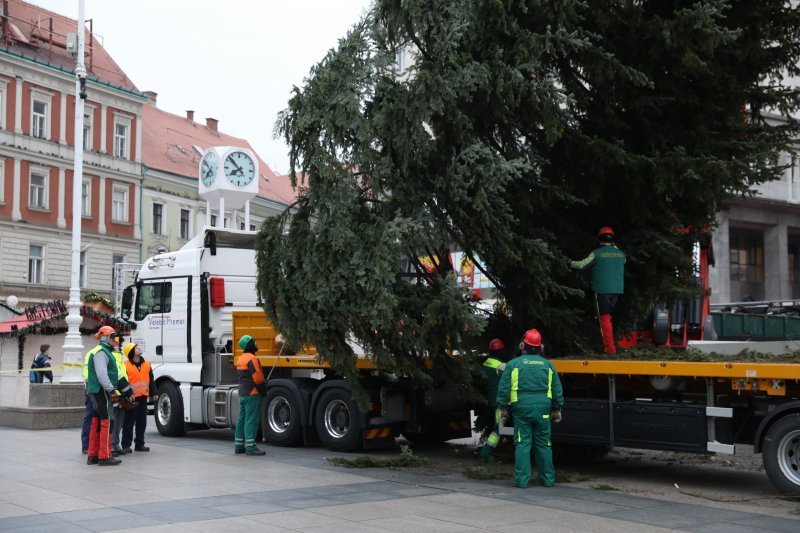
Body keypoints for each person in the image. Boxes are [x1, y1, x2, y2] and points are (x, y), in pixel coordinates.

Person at [496, 328, 563, 488]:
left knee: (522, 443)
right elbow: (557, 390)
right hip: (543, 410)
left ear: (522, 346)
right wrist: (556, 409)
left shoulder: (513, 365)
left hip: (521, 409)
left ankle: (522, 481)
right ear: (541, 348)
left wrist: (503, 408)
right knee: (544, 444)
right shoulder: (549, 365)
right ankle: (548, 480)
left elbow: (504, 389)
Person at [569, 226, 626, 354]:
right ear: (612, 239)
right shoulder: (621, 254)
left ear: (599, 238)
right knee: (610, 319)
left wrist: (569, 262)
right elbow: (623, 260)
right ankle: (611, 346)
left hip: (602, 290)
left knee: (604, 319)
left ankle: (610, 350)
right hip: (617, 291)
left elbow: (582, 265)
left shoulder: (597, 253)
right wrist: (614, 246)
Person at [85, 326, 133, 466]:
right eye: (112, 337)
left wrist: (127, 391)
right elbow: (102, 375)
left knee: (97, 422)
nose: (115, 340)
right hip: (102, 391)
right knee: (107, 421)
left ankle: (93, 455)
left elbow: (115, 375)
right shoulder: (102, 352)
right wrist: (111, 390)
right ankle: (105, 456)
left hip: (98, 390)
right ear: (105, 338)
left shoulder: (106, 352)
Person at [234, 334, 267, 456]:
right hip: (252, 394)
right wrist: (263, 390)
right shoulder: (252, 359)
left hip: (243, 393)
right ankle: (251, 447)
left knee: (241, 419)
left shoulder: (240, 358)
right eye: (254, 341)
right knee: (251, 420)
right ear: (250, 345)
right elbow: (258, 379)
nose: (256, 343)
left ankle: (238, 446)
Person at [478, 338, 510, 461]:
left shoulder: (486, 363)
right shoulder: (501, 366)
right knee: (498, 428)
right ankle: (485, 453)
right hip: (500, 403)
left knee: (498, 425)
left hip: (491, 400)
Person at [121, 343, 156, 453]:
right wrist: (126, 395)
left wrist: (154, 392)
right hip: (131, 398)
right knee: (128, 422)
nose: (139, 348)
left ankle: (140, 444)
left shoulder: (147, 364)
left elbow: (151, 380)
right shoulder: (125, 365)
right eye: (136, 348)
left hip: (143, 397)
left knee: (142, 422)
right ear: (131, 352)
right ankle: (126, 445)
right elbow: (123, 382)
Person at [110, 334, 130, 457]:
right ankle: (112, 447)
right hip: (115, 395)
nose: (119, 346)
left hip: (121, 395)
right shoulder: (112, 358)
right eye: (117, 343)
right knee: (113, 422)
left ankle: (116, 445)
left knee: (118, 423)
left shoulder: (119, 360)